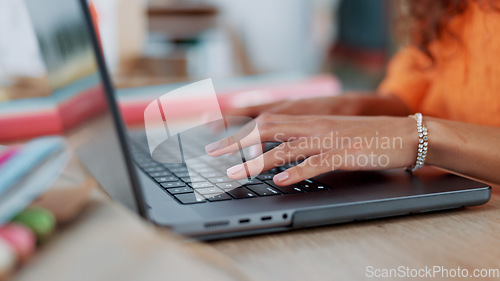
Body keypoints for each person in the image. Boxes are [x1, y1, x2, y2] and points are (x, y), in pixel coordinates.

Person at [205, 0, 500, 186]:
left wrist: (421, 136)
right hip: (446, 192)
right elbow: (407, 99)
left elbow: (413, 128)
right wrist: (343, 108)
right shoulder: (442, 7)